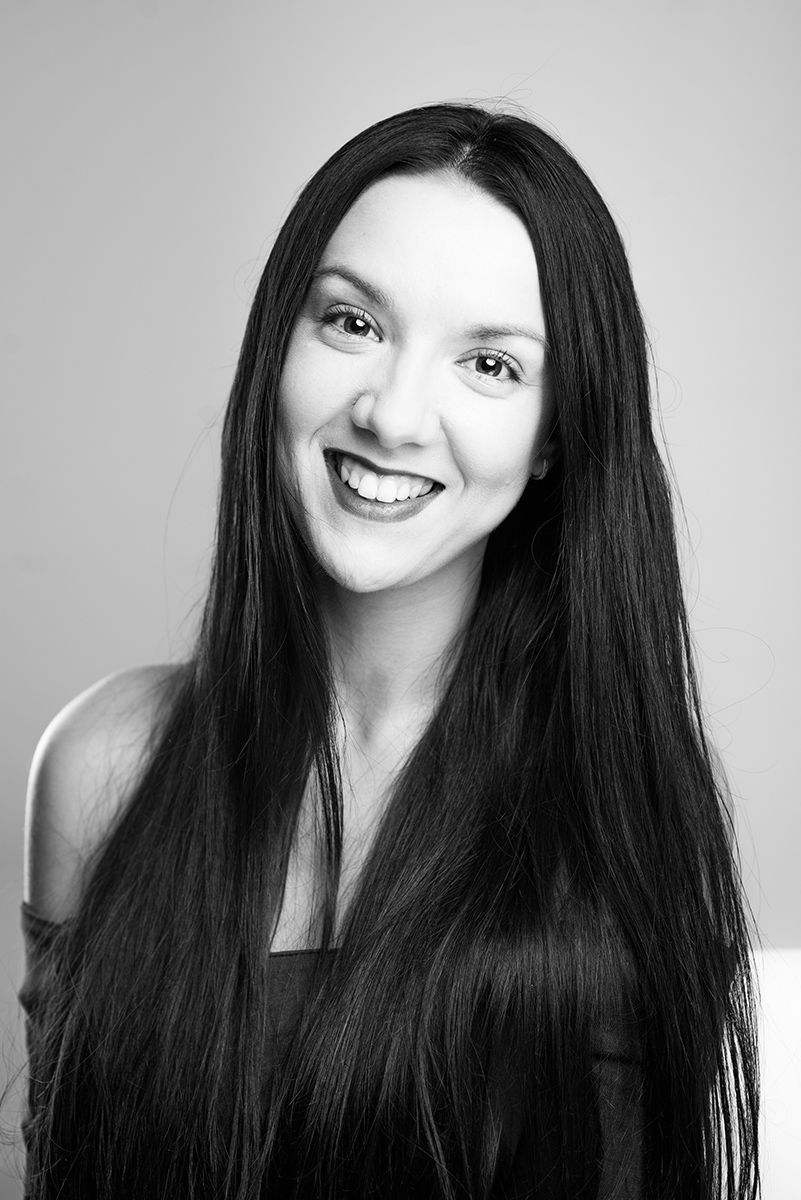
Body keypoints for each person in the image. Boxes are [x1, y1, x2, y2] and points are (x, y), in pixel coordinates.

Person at [21, 103, 759, 1199]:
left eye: (491, 365)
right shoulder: (101, 763)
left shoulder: (614, 811)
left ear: (556, 434)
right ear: (278, 345)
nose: (396, 415)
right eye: (353, 323)